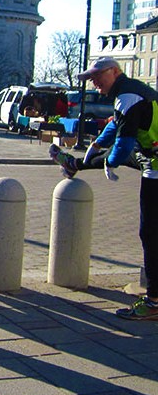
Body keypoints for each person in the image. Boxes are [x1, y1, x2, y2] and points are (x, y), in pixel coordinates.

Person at [49, 57, 158, 320]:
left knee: (151, 232)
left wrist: (110, 160)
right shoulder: (131, 89)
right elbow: (116, 125)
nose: (94, 82)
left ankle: (154, 302)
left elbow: (124, 142)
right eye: (91, 78)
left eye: (98, 76)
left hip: (154, 163)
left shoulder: (127, 96)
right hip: (148, 155)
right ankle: (74, 164)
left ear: (115, 72)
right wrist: (98, 145)